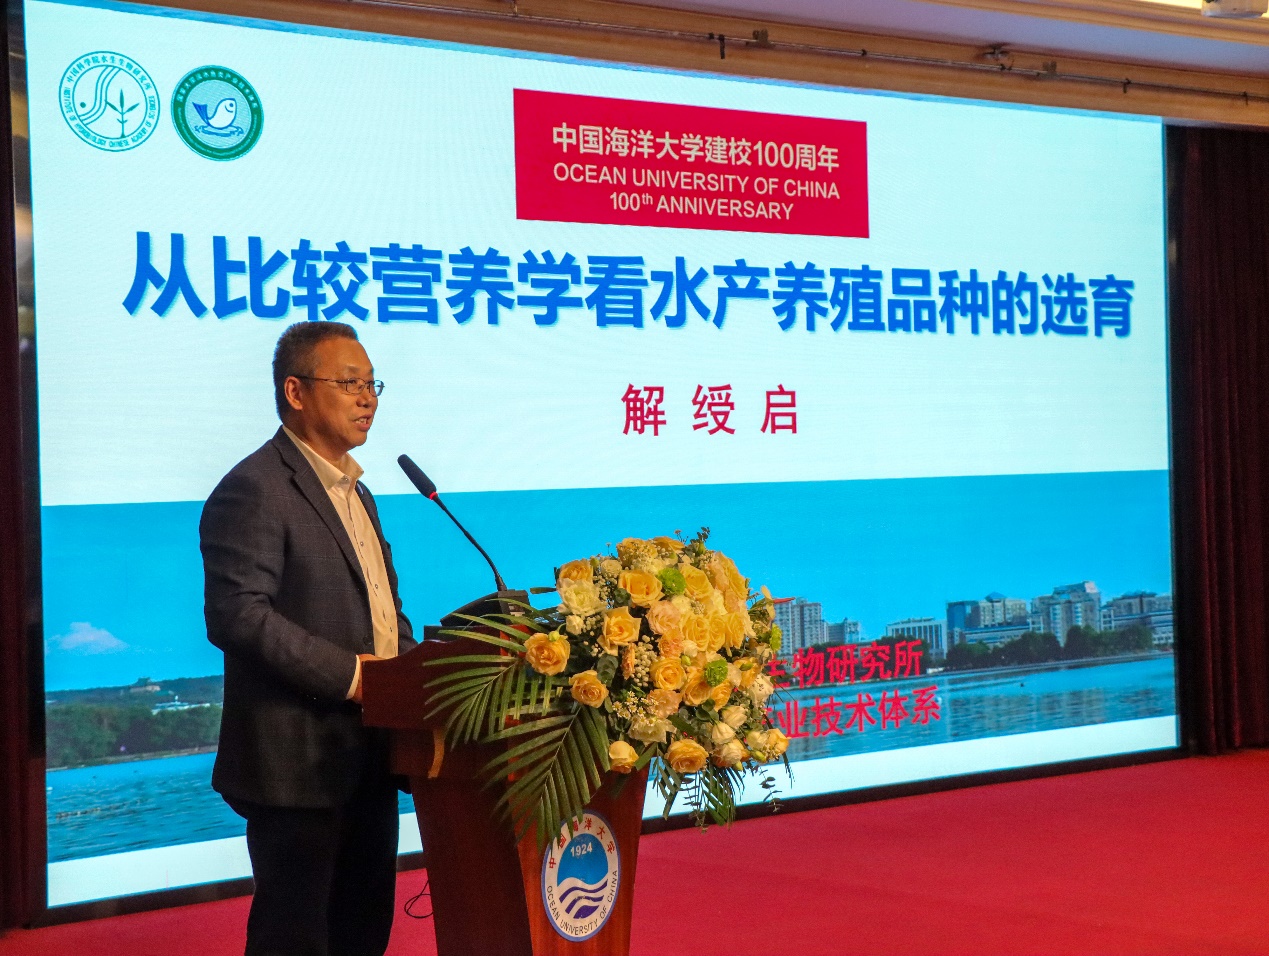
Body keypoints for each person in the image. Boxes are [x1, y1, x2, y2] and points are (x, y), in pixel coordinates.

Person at [200, 321, 416, 956]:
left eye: (372, 384)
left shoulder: (359, 493)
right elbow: (237, 615)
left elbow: (384, 610)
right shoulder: (255, 488)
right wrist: (356, 678)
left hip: (370, 752)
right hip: (295, 763)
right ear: (295, 392)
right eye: (349, 383)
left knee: (363, 931)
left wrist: (409, 679)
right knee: (294, 938)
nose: (367, 398)